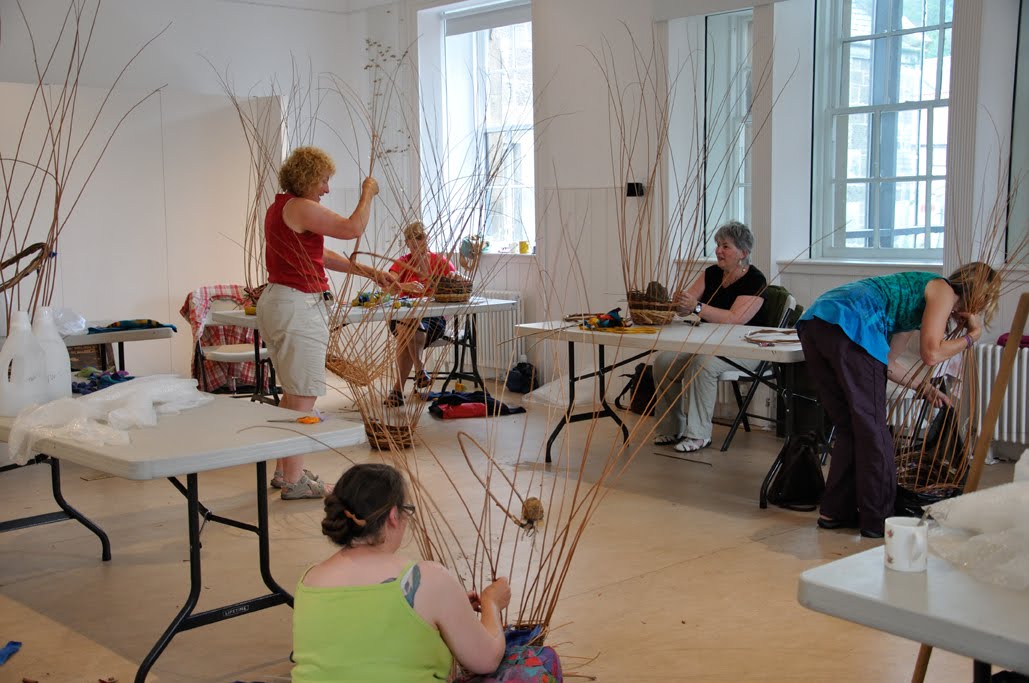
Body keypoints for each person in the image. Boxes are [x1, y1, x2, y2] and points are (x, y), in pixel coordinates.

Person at [797, 262, 1000, 538]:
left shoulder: (915, 298)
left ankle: (834, 512)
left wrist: (923, 388)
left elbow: (887, 363)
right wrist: (971, 336)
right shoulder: (944, 290)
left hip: (817, 322)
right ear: (980, 296)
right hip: (852, 322)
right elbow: (932, 352)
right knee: (874, 431)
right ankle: (879, 520)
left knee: (849, 428)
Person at [292, 462, 512, 682]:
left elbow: (361, 640)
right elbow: (487, 659)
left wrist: (441, 613)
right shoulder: (427, 579)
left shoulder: (310, 580)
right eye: (408, 511)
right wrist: (491, 602)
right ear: (394, 516)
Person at [257, 146, 391, 499]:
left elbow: (322, 254)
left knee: (293, 394)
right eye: (323, 180)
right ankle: (295, 481)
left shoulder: (282, 207)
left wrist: (371, 272)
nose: (327, 189)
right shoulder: (300, 206)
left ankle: (287, 471)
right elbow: (352, 228)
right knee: (304, 395)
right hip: (297, 305)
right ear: (306, 178)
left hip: (282, 301)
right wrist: (367, 193)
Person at [651, 221, 768, 453]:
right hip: (707, 343)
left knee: (702, 364)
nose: (718, 251)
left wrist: (696, 308)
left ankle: (698, 435)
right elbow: (688, 306)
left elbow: (736, 319)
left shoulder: (756, 280)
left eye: (725, 246)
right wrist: (681, 303)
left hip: (746, 349)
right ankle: (671, 428)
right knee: (663, 362)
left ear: (743, 253)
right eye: (717, 245)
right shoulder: (711, 273)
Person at [383, 220, 457, 407]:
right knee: (408, 322)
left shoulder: (439, 262)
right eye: (412, 239)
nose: (416, 242)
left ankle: (398, 391)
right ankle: (420, 369)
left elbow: (455, 281)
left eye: (420, 238)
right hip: (403, 318)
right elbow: (388, 285)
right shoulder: (402, 263)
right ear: (407, 242)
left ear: (427, 239)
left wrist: (439, 279)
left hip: (432, 320)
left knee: (405, 335)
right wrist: (402, 285)